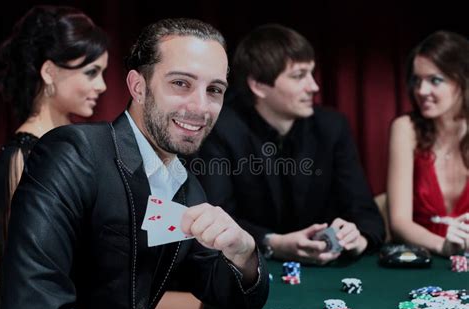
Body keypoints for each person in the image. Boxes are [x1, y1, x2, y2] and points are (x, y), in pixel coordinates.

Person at [0, 18, 268, 309]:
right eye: (181, 83)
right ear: (138, 87)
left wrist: (245, 254)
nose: (200, 107)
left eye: (214, 90)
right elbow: (34, 305)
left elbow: (230, 301)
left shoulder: (188, 189)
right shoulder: (73, 153)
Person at [191, 24, 385, 266]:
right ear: (259, 85)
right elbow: (214, 218)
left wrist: (359, 239)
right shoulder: (219, 129)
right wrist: (273, 243)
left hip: (328, 270)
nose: (313, 87)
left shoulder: (333, 127)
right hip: (252, 268)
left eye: (311, 74)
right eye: (298, 76)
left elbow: (367, 215)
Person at [0, 5, 108, 280]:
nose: (102, 85)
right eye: (91, 72)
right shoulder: (23, 157)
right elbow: (20, 272)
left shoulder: (81, 144)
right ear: (49, 72)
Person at [387, 30, 469, 256]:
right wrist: (444, 246)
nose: (421, 91)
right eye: (416, 80)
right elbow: (399, 221)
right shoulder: (405, 129)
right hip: (423, 259)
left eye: (435, 80)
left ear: (462, 81)